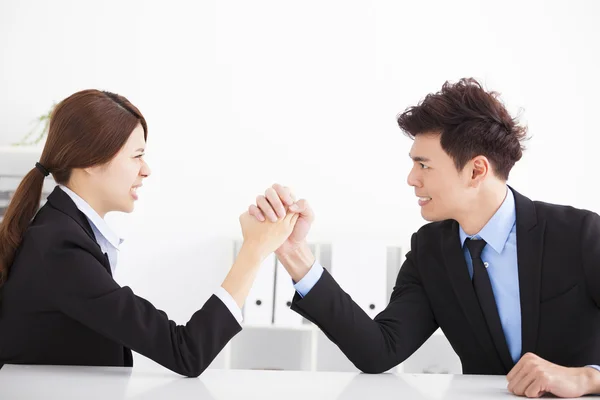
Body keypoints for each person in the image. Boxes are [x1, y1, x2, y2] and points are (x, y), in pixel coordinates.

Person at [249, 78, 600, 398]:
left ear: (476, 170)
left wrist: (586, 378)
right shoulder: (431, 250)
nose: (411, 179)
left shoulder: (580, 235)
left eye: (424, 165)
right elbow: (379, 350)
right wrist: (296, 254)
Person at [0, 89, 299, 377]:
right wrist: (254, 250)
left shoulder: (62, 231)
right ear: (90, 161)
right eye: (136, 156)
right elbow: (186, 352)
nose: (146, 170)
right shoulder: (60, 249)